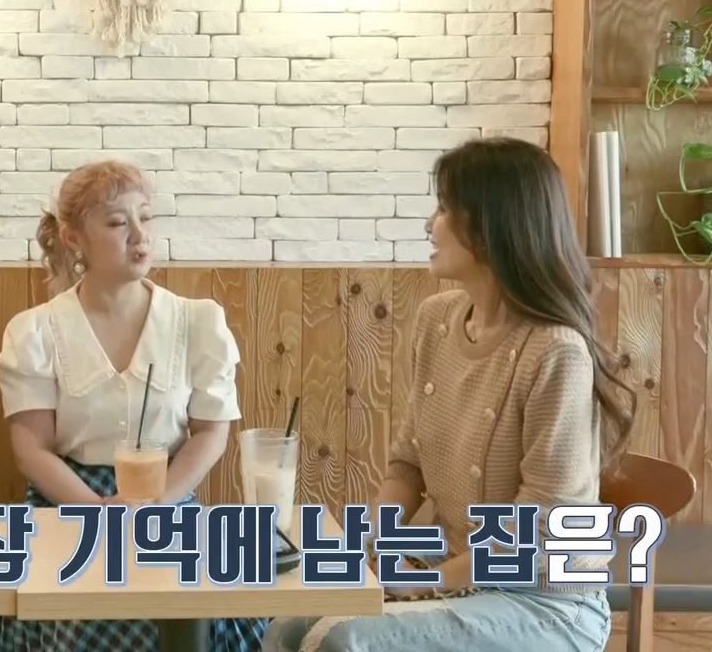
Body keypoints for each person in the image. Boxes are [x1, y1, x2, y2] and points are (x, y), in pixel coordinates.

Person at [263, 138, 637, 652]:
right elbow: (408, 465)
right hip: (454, 572)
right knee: (286, 625)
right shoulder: (436, 319)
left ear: (491, 227)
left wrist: (426, 582)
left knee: (345, 641)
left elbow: (539, 536)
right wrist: (367, 544)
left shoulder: (556, 352)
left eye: (443, 208)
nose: (429, 225)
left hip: (546, 602)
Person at [0, 160, 270, 650]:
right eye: (116, 222)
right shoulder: (36, 331)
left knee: (184, 610)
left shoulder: (197, 322)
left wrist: (156, 506)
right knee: (81, 616)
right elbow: (32, 450)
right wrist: (100, 514)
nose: (139, 234)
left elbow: (211, 433)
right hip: (68, 505)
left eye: (145, 217)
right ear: (73, 238)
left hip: (168, 501)